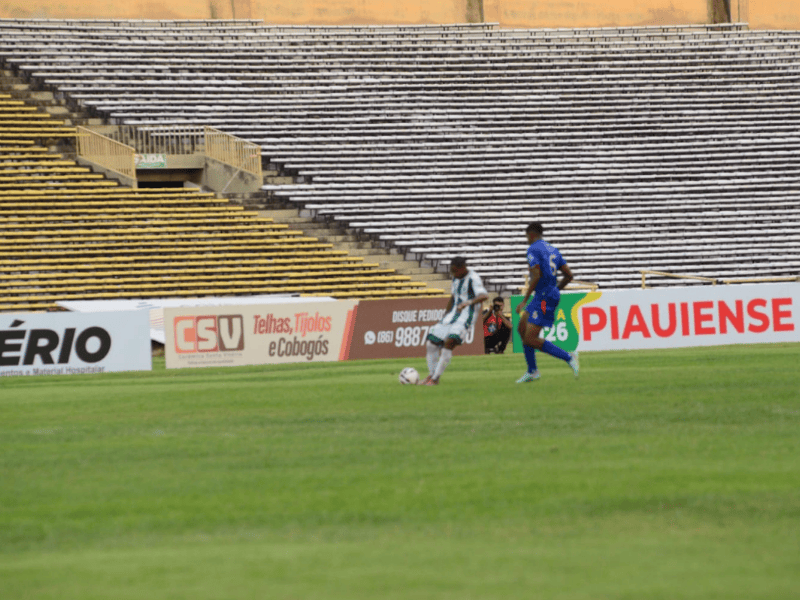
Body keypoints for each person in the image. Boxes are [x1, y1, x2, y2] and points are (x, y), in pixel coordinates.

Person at [516, 222, 580, 382]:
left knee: (530, 338)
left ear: (531, 234)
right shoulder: (553, 249)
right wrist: (556, 289)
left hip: (544, 297)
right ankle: (532, 371)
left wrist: (524, 300)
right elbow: (569, 275)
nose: (527, 240)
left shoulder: (532, 249)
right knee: (522, 328)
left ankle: (569, 356)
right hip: (544, 294)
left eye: (526, 237)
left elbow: (536, 276)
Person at [421, 256, 489, 385]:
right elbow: (453, 297)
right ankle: (431, 375)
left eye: (454, 270)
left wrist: (467, 302)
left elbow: (484, 295)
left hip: (465, 318)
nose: (453, 273)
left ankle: (435, 379)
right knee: (431, 343)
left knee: (449, 342)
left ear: (462, 268)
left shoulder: (473, 278)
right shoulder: (456, 279)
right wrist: (445, 315)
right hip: (451, 316)